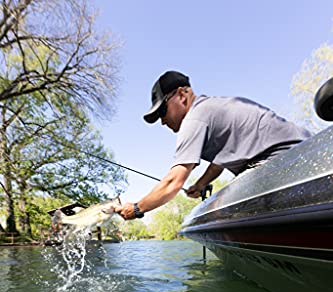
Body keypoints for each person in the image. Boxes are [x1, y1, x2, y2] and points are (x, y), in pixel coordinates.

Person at [116, 70, 311, 220]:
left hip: (285, 161)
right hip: (301, 151)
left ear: (182, 95)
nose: (162, 121)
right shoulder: (209, 109)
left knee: (219, 212)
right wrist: (201, 184)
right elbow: (222, 160)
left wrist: (137, 208)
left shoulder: (194, 119)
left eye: (163, 110)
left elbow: (173, 183)